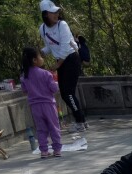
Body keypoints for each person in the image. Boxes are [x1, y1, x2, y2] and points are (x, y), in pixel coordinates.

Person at [37, 0, 86, 132]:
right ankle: (81, 120)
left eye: (57, 12)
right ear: (45, 14)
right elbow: (49, 47)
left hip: (71, 59)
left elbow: (65, 47)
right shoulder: (42, 29)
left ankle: (80, 122)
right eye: (52, 12)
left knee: (68, 93)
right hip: (61, 62)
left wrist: (57, 65)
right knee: (65, 93)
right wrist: (39, 53)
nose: (56, 14)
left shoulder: (62, 25)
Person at [20, 47, 62, 159]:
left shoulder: (24, 76)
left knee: (41, 128)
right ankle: (57, 149)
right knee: (54, 126)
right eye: (40, 56)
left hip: (35, 106)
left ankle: (44, 150)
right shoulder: (46, 74)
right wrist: (55, 80)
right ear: (34, 60)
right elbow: (54, 89)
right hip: (48, 104)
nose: (42, 59)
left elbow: (24, 91)